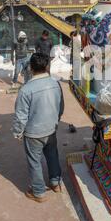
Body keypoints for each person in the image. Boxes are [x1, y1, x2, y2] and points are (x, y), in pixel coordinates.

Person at [12, 53, 64, 203]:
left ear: (31, 68)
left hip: (33, 133)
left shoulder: (26, 90)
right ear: (47, 66)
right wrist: (55, 120)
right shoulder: (56, 84)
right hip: (51, 128)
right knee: (52, 155)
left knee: (34, 161)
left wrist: (17, 132)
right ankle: (56, 183)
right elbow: (60, 107)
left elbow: (21, 116)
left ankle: (39, 192)